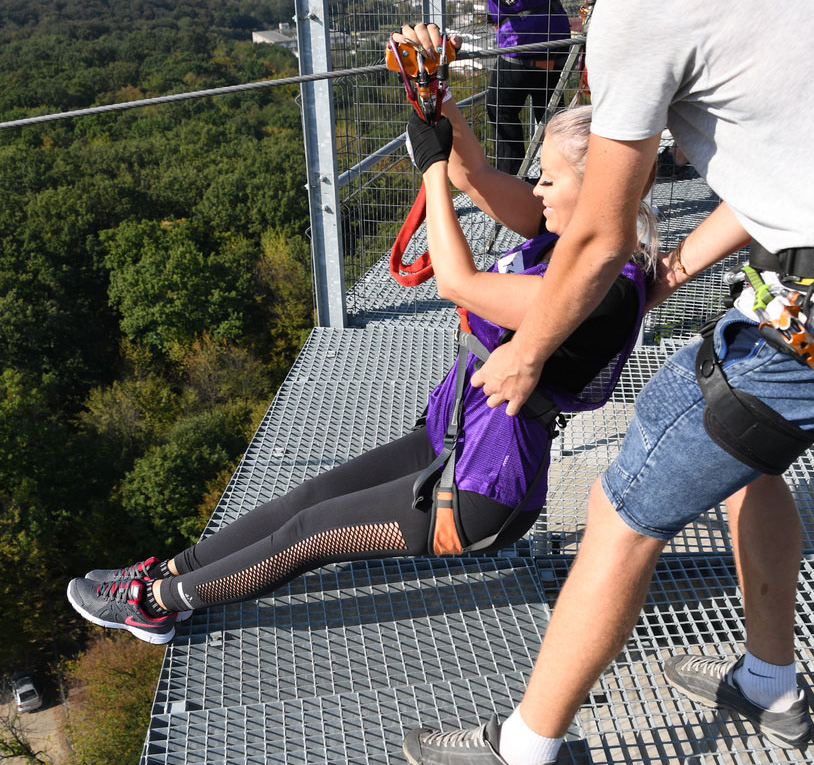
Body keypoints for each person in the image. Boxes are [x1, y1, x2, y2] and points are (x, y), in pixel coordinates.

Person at [402, 0, 814, 765]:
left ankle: (524, 752)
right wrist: (698, 253)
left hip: (806, 308)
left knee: (621, 502)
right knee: (745, 462)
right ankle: (771, 684)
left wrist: (530, 354)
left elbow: (592, 234)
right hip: (792, 273)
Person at [67, 102, 654, 645]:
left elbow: (459, 283)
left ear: (601, 188)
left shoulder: (597, 292)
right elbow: (473, 175)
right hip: (455, 438)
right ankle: (175, 568)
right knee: (309, 496)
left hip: (483, 491)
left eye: (550, 177)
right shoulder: (567, 238)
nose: (539, 188)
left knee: (315, 532)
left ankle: (160, 602)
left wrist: (428, 167)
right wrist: (436, 101)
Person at [457, 0, 572, 175]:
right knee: (551, 117)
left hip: (522, 40)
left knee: (500, 108)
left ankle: (513, 186)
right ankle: (561, 178)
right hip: (556, 37)